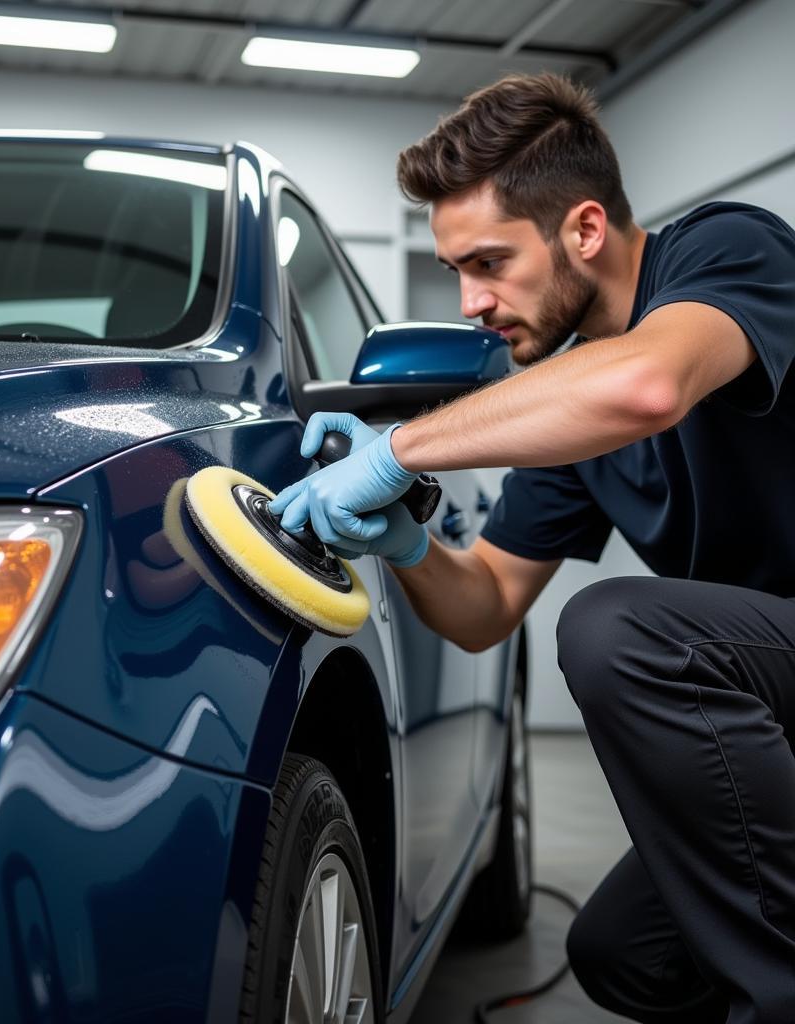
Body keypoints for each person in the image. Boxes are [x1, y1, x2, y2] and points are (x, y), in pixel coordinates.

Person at [268, 72, 795, 1023]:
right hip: (776, 699)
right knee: (619, 954)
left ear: (584, 230)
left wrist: (398, 450)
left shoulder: (725, 251)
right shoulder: (564, 399)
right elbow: (489, 606)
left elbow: (648, 385)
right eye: (454, 271)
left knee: (623, 631)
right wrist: (408, 544)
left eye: (489, 264)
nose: (470, 302)